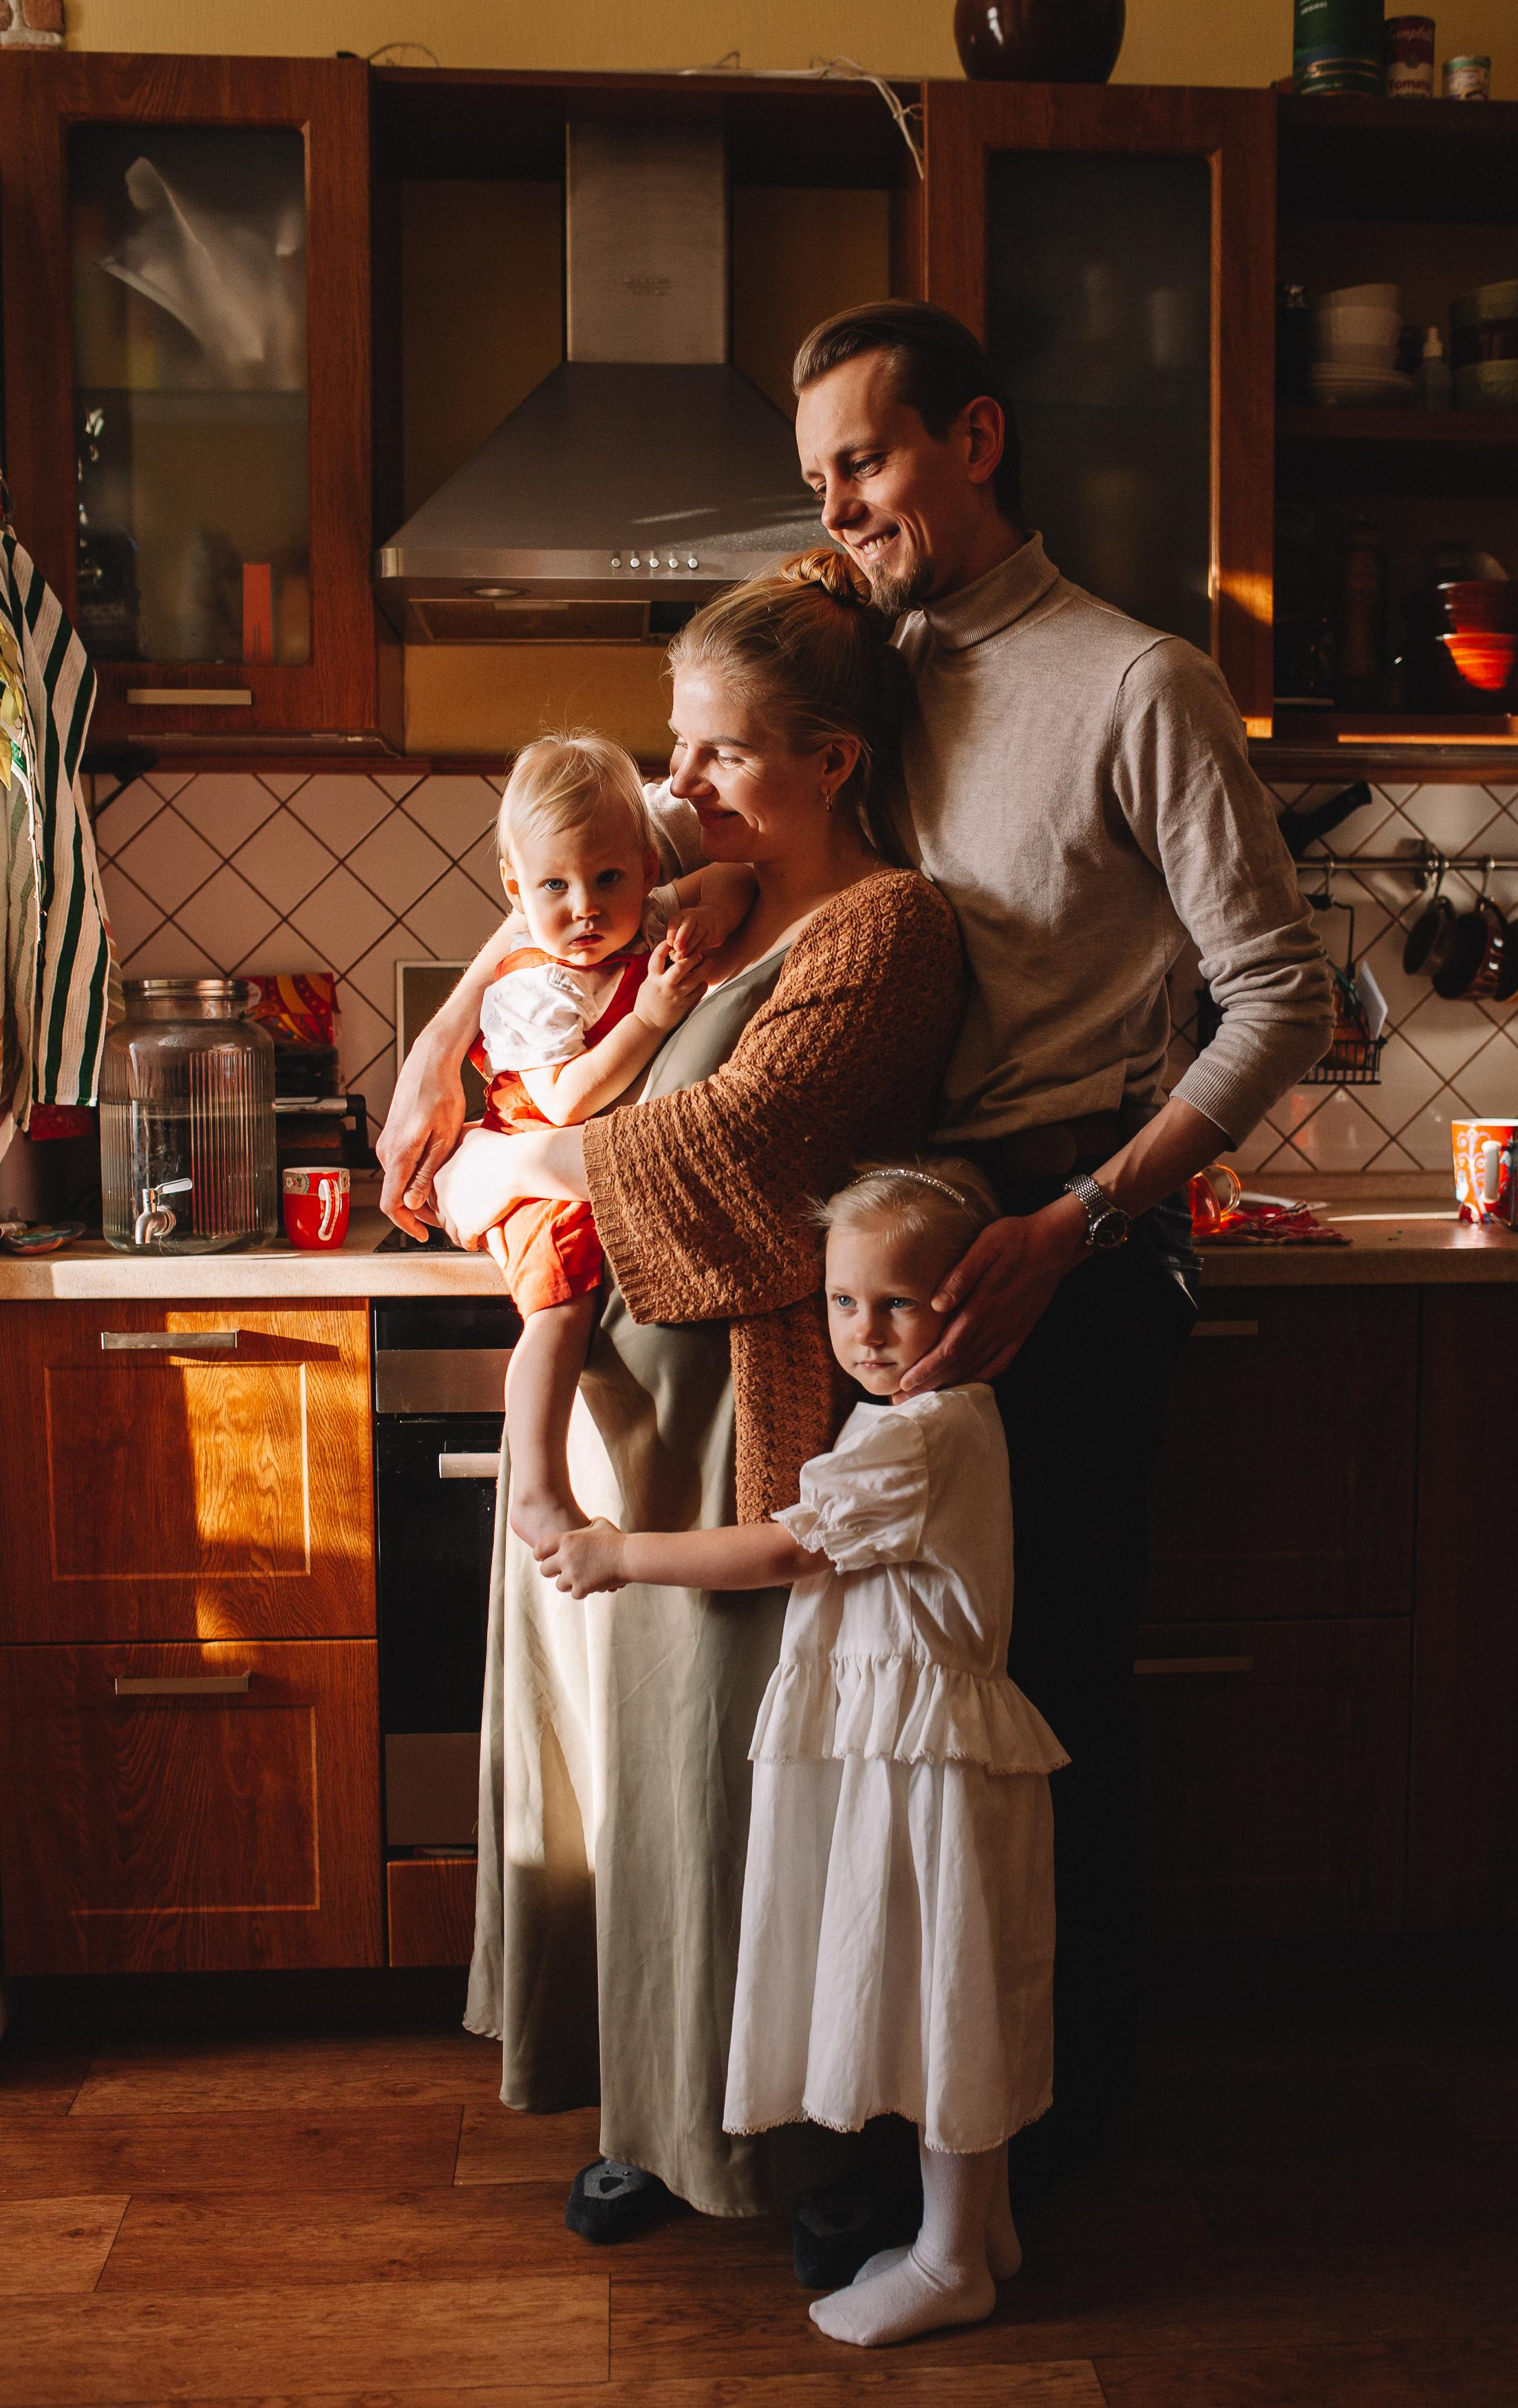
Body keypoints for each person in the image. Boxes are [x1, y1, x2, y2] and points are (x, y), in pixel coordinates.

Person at [784, 301, 1334, 2212]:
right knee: (886, 1713)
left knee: (1039, 1717)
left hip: (1066, 1247)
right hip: (889, 1248)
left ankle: (1049, 2128)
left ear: (978, 438)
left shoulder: (1134, 682)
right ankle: (893, 2124)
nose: (841, 507)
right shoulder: (857, 673)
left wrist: (1082, 1216)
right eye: (818, 481)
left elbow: (1279, 996)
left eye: (865, 459)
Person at [396, 550, 966, 2232]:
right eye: (679, 752)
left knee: (725, 1785)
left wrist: (498, 1147)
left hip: (739, 1417)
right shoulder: (694, 899)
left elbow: (729, 1155)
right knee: (624, 1789)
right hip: (612, 1418)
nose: (679, 784)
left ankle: (776, 2152)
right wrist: (447, 1064)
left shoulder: (885, 930)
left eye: (712, 754)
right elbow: (535, 928)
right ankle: (644, 2116)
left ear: (831, 760)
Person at [543, 1157, 1067, 2348]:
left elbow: (786, 1552)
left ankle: (950, 2263)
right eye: (841, 1302)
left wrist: (620, 1555)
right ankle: (971, 2232)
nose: (863, 1330)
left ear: (963, 1306)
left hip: (928, 1767)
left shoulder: (920, 1437)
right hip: (905, 1753)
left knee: (944, 2015)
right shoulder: (911, 1421)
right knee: (936, 2003)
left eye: (896, 1302)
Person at [467, 731, 755, 1550]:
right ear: (515, 889)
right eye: (554, 884)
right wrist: (652, 1016)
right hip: (536, 1171)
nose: (585, 906)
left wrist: (705, 917)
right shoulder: (534, 981)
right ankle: (538, 1485)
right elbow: (562, 1097)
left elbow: (738, 874)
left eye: (608, 878)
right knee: (560, 1308)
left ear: (649, 871)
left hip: (602, 1170)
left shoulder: (650, 921)